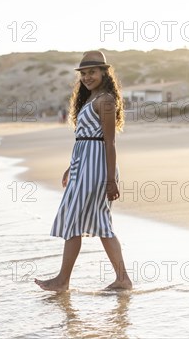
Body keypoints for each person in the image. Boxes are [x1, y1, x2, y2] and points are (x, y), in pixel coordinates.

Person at [34, 50, 132, 292]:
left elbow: (109, 142)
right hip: (83, 165)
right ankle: (121, 279)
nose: (87, 77)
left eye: (92, 72)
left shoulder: (106, 100)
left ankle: (63, 281)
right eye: (84, 74)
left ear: (104, 73)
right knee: (97, 223)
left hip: (97, 168)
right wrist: (71, 167)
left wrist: (111, 180)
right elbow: (85, 138)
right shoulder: (90, 98)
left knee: (77, 220)